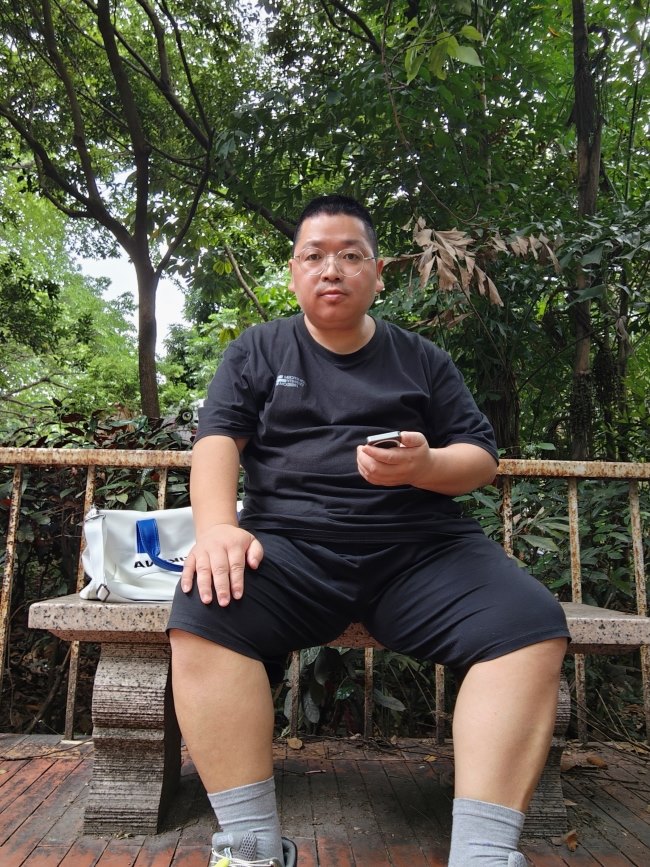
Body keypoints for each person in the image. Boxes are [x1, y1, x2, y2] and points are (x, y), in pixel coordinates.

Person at [168, 194, 570, 867]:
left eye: (350, 255)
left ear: (378, 274)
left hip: (422, 553)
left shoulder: (422, 359)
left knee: (528, 622)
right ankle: (249, 848)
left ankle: (484, 855)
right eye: (314, 256)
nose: (332, 269)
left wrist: (425, 465)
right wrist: (216, 529)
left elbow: (479, 458)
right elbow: (216, 442)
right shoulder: (257, 350)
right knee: (206, 606)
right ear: (293, 272)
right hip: (290, 550)